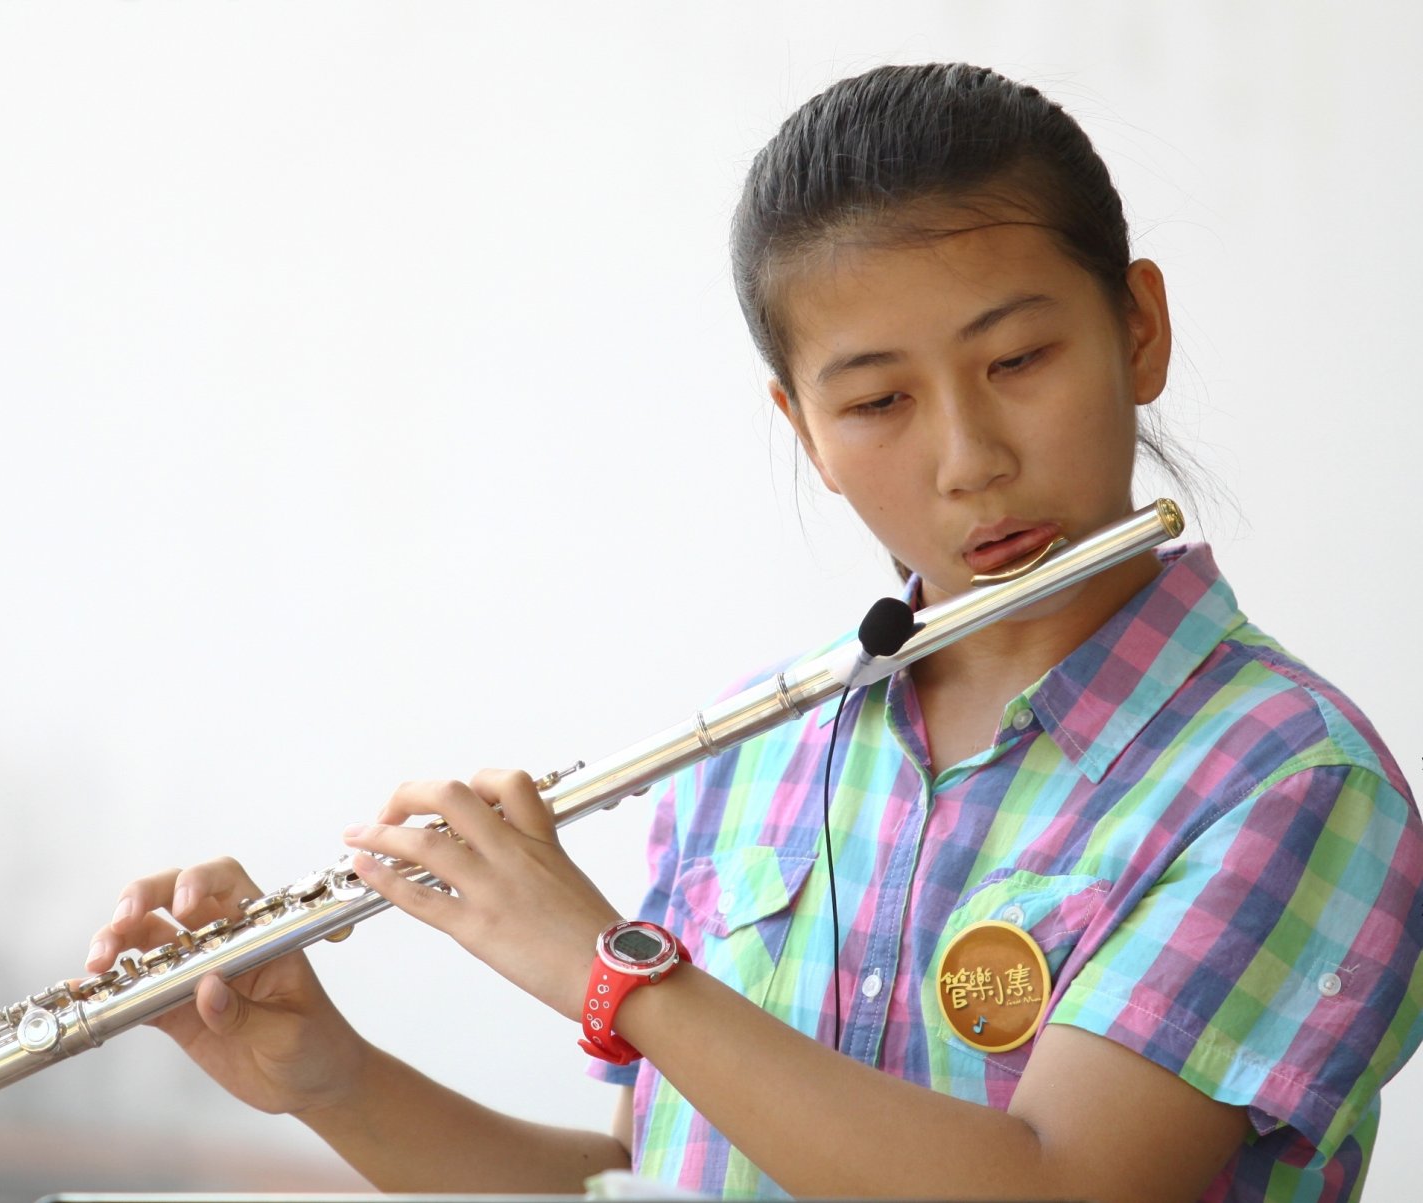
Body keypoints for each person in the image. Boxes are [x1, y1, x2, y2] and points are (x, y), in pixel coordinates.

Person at [82, 63, 1422, 1201]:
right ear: (806, 435)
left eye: (1018, 362)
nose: (968, 459)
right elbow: (650, 1177)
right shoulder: (760, 754)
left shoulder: (1289, 783)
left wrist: (609, 967)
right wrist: (335, 1083)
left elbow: (1051, 1186)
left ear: (1137, 330)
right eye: (878, 403)